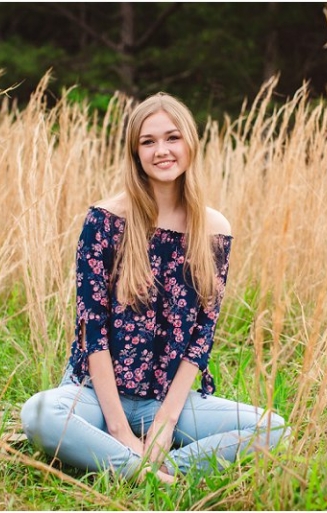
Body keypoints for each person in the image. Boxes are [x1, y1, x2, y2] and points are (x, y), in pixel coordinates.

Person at [20, 92, 288, 484]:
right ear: (135, 153)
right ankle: (143, 469)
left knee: (274, 429)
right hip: (94, 394)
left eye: (172, 138)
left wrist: (164, 424)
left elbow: (202, 336)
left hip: (164, 400)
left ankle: (165, 469)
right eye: (148, 142)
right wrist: (120, 432)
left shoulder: (214, 230)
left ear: (190, 143)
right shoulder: (106, 220)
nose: (161, 150)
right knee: (38, 415)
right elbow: (91, 332)